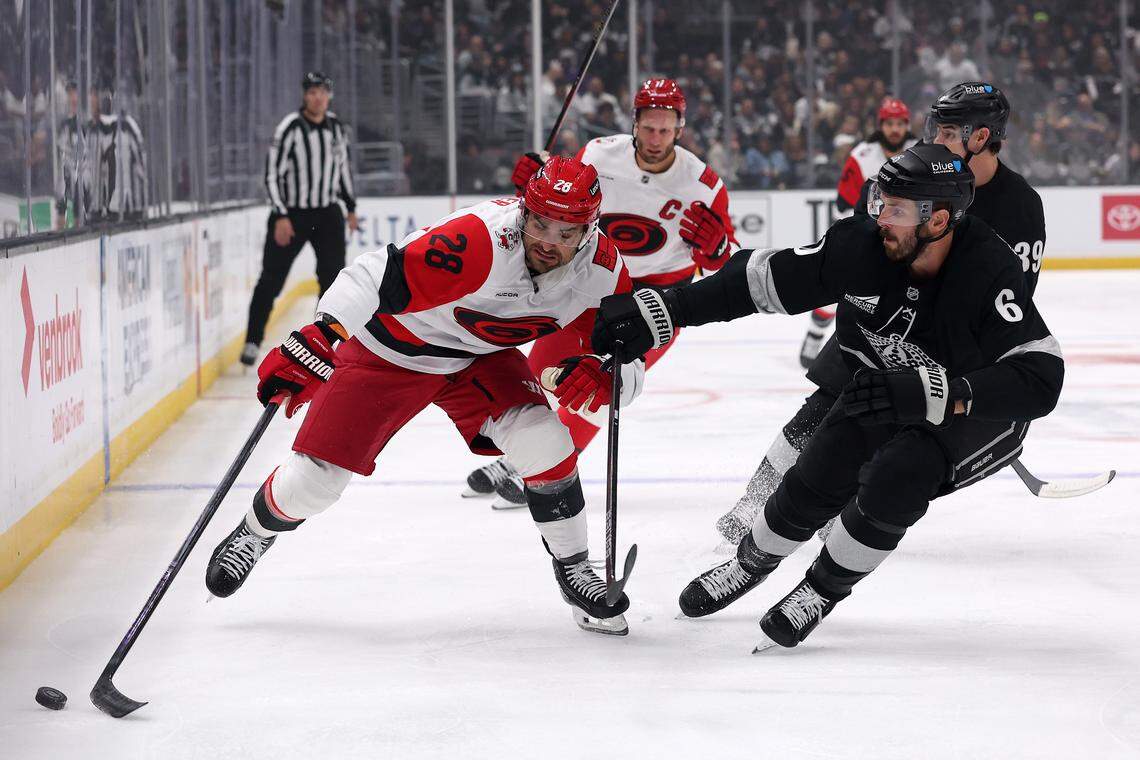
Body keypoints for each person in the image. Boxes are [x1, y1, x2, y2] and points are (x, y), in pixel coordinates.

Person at [592, 143, 1063, 647]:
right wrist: (665, 308)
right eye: (881, 200)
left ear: (939, 219)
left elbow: (1041, 374)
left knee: (897, 475)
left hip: (972, 412)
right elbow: (759, 282)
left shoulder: (987, 273)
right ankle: (749, 563)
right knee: (817, 473)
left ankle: (821, 588)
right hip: (884, 382)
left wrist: (951, 392)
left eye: (898, 210)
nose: (881, 216)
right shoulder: (862, 245)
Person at [206, 156, 644, 636]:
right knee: (313, 485)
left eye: (567, 232)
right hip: (389, 351)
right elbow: (372, 274)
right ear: (524, 211)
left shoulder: (602, 271)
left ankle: (575, 571)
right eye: (541, 223)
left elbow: (628, 349)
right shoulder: (482, 242)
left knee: (545, 439)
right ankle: (256, 531)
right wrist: (320, 333)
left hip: (480, 358)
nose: (548, 241)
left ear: (591, 228)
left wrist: (613, 374)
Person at [716, 82, 1043, 548]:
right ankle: (752, 506)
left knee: (878, 437)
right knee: (814, 417)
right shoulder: (918, 164)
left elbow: (1014, 298)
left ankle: (827, 511)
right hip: (873, 321)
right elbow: (868, 233)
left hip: (940, 349)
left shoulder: (1020, 206)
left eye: (949, 131)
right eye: (937, 127)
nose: (935, 138)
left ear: (980, 137)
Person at [465, 78, 738, 507]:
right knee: (540, 373)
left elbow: (728, 257)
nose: (655, 139)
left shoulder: (703, 184)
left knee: (598, 382)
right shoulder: (597, 154)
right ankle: (519, 457)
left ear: (680, 129)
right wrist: (533, 182)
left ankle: (551, 470)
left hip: (657, 301)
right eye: (649, 127)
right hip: (590, 282)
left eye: (665, 130)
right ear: (635, 122)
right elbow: (558, 197)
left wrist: (717, 246)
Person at [240, 72, 359, 367]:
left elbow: (342, 171)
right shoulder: (290, 129)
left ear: (328, 96)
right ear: (305, 96)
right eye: (312, 92)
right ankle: (253, 340)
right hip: (292, 215)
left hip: (328, 213)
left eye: (322, 92)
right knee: (270, 280)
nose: (317, 98)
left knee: (332, 282)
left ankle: (323, 344)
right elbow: (271, 175)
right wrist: (280, 214)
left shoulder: (336, 128)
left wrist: (351, 207)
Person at [799, 97, 917, 368]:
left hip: (907, 237)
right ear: (880, 125)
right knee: (841, 287)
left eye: (900, 124)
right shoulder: (862, 155)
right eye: (890, 124)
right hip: (867, 234)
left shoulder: (919, 151)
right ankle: (815, 335)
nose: (895, 129)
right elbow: (844, 203)